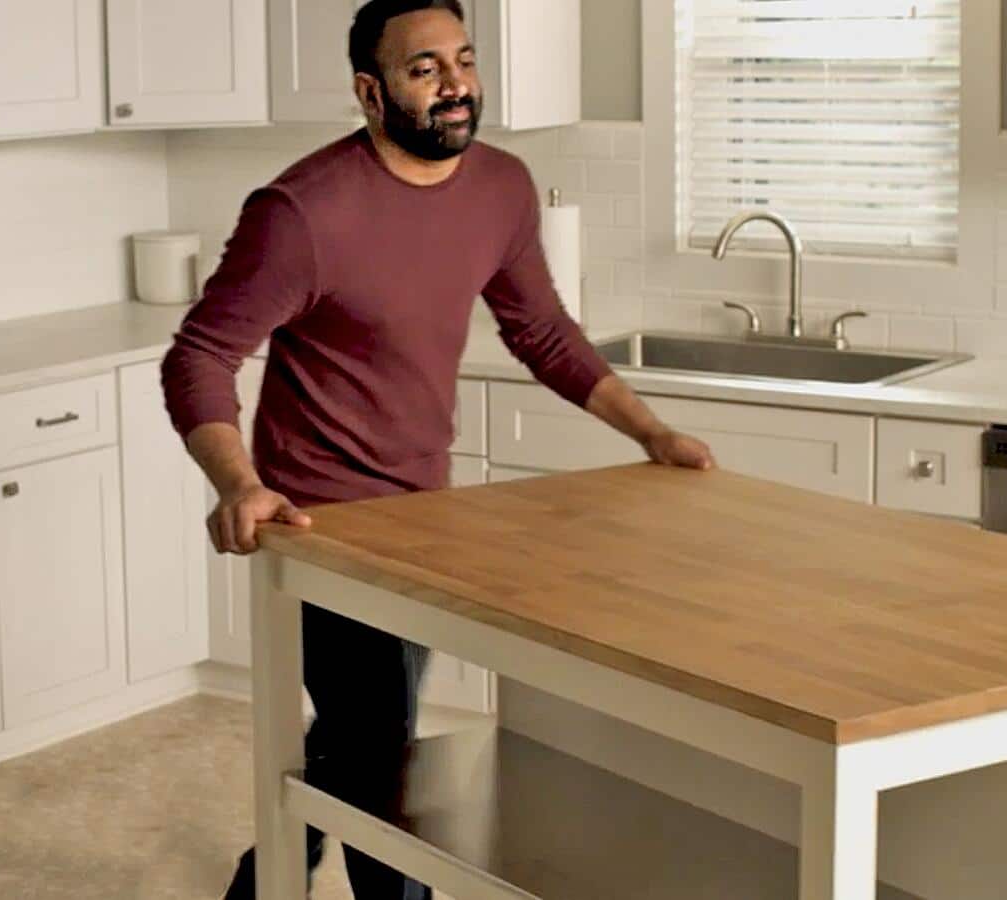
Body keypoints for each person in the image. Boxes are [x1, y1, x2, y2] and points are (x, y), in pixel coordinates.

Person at [159, 1, 716, 896]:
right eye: (426, 70)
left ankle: (264, 878)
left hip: (428, 511)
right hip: (322, 525)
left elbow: (543, 332)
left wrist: (650, 433)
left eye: (464, 60)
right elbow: (201, 353)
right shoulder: (302, 213)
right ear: (370, 93)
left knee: (363, 732)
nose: (457, 85)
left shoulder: (499, 187)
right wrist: (239, 482)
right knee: (383, 747)